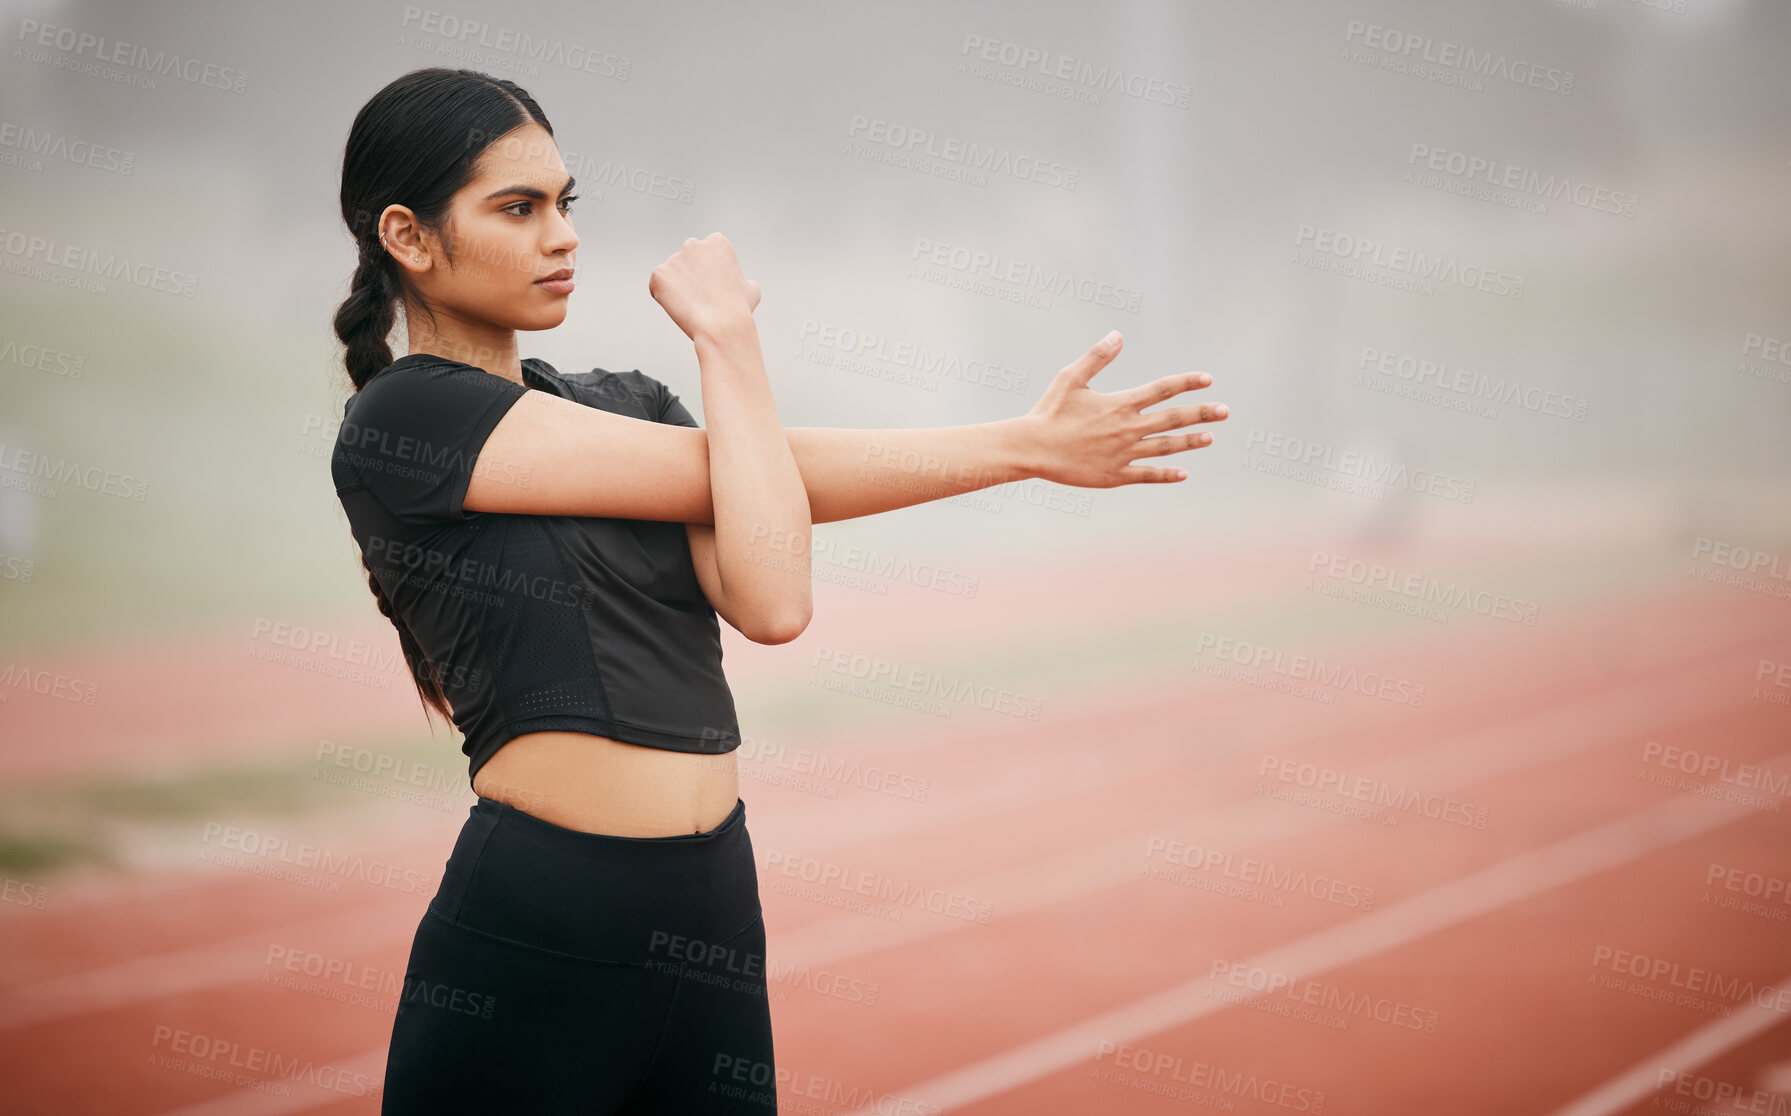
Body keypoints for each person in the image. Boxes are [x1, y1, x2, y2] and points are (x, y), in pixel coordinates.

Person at [330, 66, 1227, 1116]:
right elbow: (742, 467)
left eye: (566, 204)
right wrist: (728, 334)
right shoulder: (406, 424)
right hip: (543, 925)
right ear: (408, 235)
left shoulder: (629, 404)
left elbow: (772, 596)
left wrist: (1027, 446)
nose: (563, 235)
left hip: (711, 909)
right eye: (517, 209)